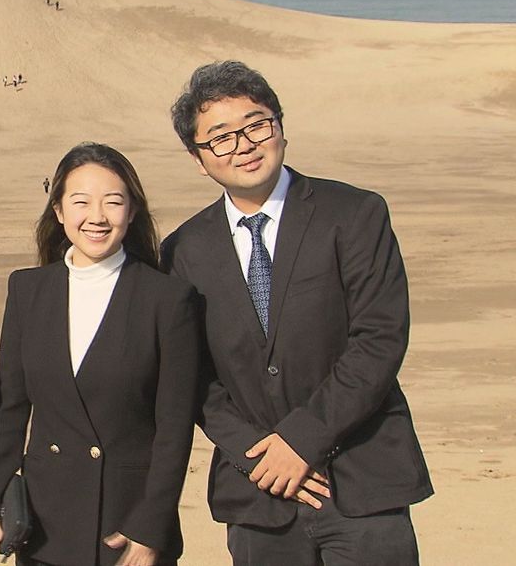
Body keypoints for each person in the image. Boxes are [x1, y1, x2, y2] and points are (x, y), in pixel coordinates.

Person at [160, 61, 432, 565]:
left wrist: (302, 440)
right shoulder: (183, 252)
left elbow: (379, 340)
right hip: (260, 497)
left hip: (363, 484)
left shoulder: (354, 214)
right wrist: (260, 456)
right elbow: (192, 376)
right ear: (199, 158)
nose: (242, 144)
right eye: (220, 137)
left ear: (280, 128)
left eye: (256, 124)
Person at [0, 143, 200, 565]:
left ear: (131, 211)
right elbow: (8, 405)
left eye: (113, 202)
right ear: (59, 211)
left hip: (126, 525)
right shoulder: (28, 290)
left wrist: (150, 527)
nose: (96, 217)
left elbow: (174, 428)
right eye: (80, 202)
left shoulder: (167, 299)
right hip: (44, 524)